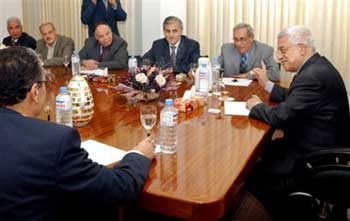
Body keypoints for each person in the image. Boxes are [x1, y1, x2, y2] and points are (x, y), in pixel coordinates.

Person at [0, 46, 155, 220]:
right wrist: (139, 154)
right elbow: (119, 188)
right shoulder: (53, 141)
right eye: (45, 82)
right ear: (35, 92)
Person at [245, 26, 350, 219]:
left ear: (302, 48)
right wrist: (268, 86)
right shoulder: (316, 66)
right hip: (318, 144)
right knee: (260, 153)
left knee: (252, 173)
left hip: (314, 157)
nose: (279, 57)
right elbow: (294, 97)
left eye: (283, 50)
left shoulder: (312, 75)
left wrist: (255, 107)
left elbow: (280, 115)